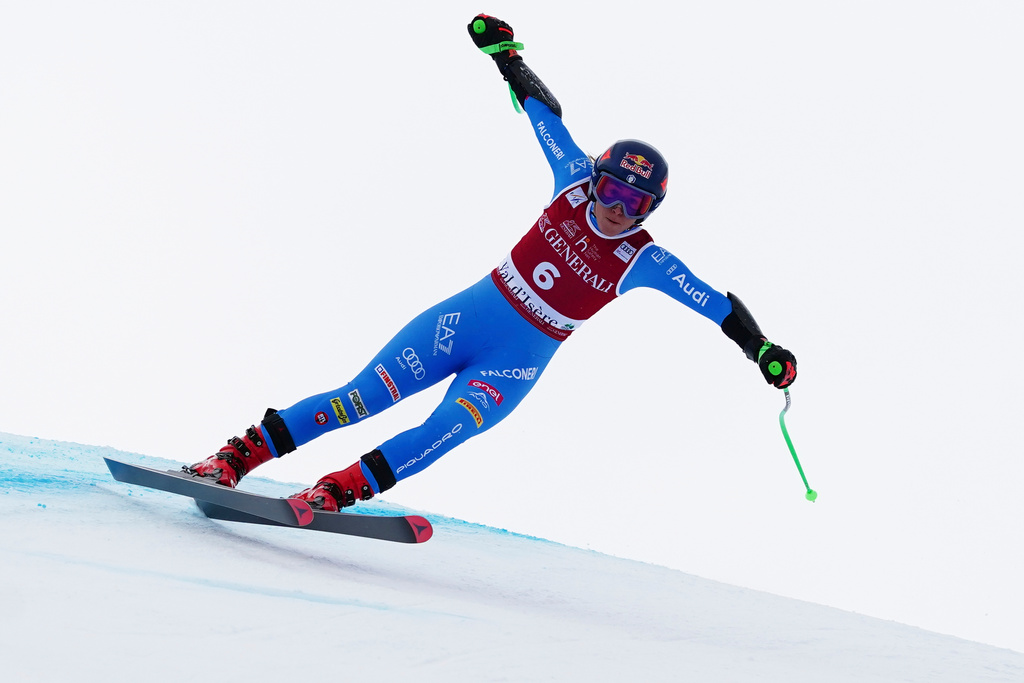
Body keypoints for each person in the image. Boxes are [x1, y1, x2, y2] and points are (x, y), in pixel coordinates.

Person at [185, 14, 798, 511]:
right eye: (612, 190)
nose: (616, 209)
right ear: (597, 179)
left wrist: (762, 349)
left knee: (440, 432)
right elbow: (542, 110)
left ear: (650, 211)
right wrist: (506, 53)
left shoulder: (645, 260)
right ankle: (237, 458)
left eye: (635, 204)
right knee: (360, 398)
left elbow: (716, 305)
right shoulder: (571, 178)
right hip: (469, 318)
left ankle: (337, 491)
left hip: (517, 362)